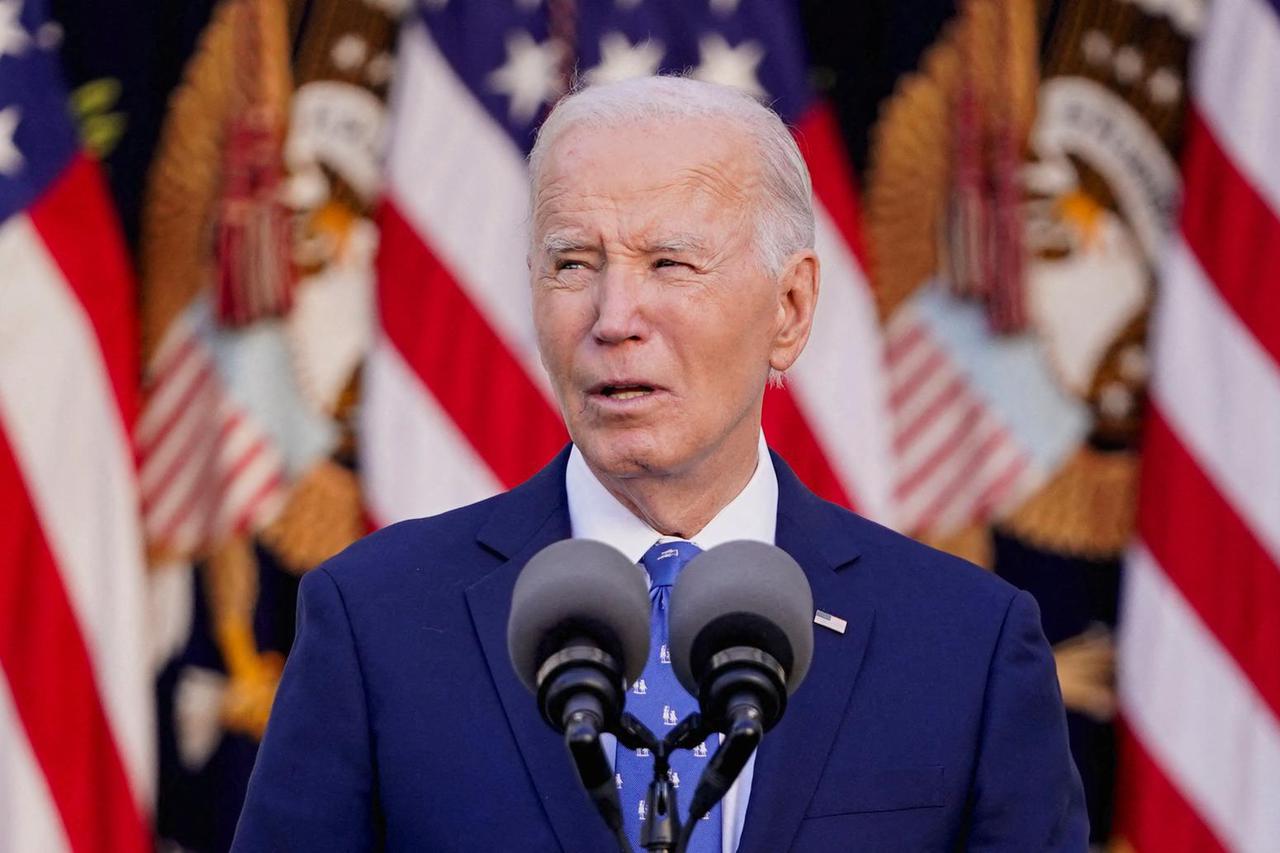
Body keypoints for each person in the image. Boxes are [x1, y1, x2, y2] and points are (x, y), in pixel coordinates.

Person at [233, 75, 1087, 852]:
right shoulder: (374, 620)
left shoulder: (964, 645)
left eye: (670, 263)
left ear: (789, 309)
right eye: (574, 263)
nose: (614, 317)